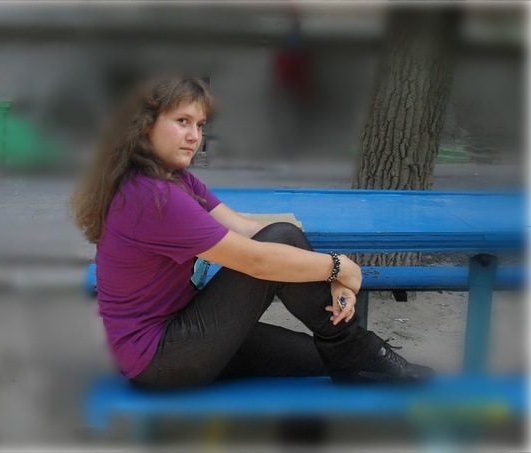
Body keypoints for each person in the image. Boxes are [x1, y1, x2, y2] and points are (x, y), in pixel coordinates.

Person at [71, 77, 432, 389]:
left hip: (184, 331)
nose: (194, 136)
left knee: (318, 356)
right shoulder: (153, 198)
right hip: (161, 358)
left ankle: (353, 355)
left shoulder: (174, 178)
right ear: (144, 125)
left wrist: (331, 274)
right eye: (182, 121)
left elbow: (247, 228)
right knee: (281, 241)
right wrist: (341, 267)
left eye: (200, 125)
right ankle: (358, 350)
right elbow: (256, 260)